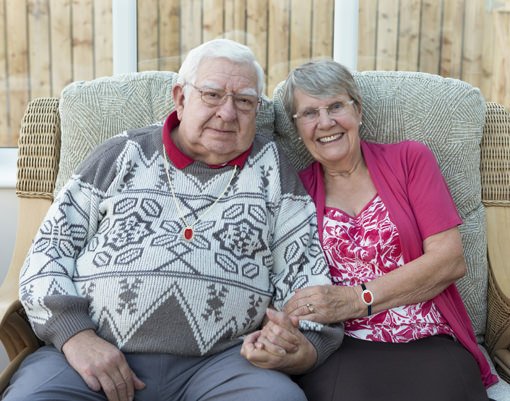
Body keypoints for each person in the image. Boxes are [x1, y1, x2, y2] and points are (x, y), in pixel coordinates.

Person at [4, 40, 343, 401]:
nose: (228, 113)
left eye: (244, 101)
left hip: (223, 364)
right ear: (180, 98)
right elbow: (46, 255)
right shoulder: (120, 155)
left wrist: (302, 344)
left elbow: (305, 272)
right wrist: (75, 336)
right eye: (212, 95)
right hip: (91, 354)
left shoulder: (274, 170)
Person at [269, 59, 498, 401]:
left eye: (335, 106)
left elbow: (449, 261)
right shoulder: (295, 193)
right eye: (309, 113)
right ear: (298, 127)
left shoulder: (409, 160)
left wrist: (356, 299)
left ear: (357, 110)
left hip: (429, 339)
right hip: (344, 350)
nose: (326, 122)